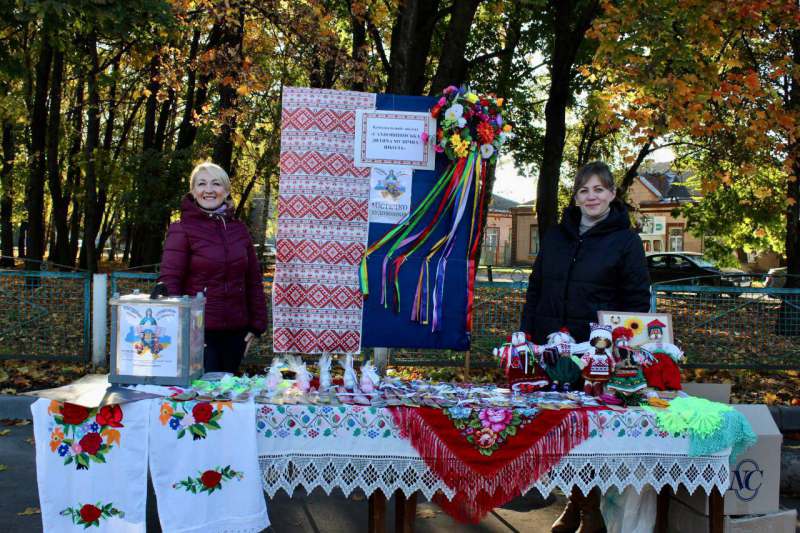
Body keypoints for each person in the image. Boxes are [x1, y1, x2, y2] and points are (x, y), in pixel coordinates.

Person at [520, 161, 651, 533]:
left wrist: (620, 349)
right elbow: (536, 287)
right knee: (560, 429)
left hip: (596, 353)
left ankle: (588, 510)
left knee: (590, 431)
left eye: (599, 189)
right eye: (584, 190)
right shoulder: (557, 236)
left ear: (612, 194)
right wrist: (526, 334)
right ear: (576, 197)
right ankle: (575, 506)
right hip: (552, 348)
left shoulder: (625, 241)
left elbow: (636, 301)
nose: (591, 196)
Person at [158, 162, 267, 373]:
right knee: (201, 400)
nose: (209, 190)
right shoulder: (181, 229)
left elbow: (253, 280)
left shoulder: (239, 229)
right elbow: (170, 283)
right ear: (193, 191)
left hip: (236, 334)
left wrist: (256, 326)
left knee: (228, 401)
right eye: (201, 184)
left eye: (216, 184)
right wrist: (180, 331)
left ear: (226, 191)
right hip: (198, 334)